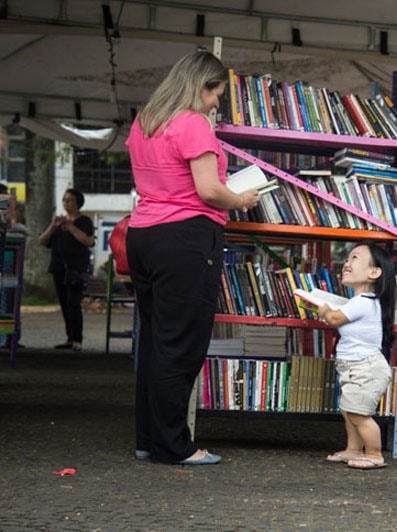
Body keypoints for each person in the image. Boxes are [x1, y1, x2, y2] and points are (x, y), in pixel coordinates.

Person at [125, 51, 260, 466]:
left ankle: (149, 438)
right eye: (216, 93)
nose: (216, 104)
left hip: (143, 233)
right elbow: (208, 190)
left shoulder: (145, 119)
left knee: (154, 341)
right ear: (201, 85)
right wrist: (241, 199)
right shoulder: (192, 123)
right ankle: (174, 446)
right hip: (185, 237)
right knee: (181, 345)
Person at [320, 241, 395, 470]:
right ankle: (353, 449)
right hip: (356, 367)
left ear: (374, 273)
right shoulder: (360, 301)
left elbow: (333, 319)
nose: (346, 263)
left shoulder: (363, 302)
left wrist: (324, 310)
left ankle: (374, 454)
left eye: (355, 258)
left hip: (366, 368)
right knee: (349, 411)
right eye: (346, 258)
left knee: (359, 414)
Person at [38, 188, 95, 351]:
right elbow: (42, 240)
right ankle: (70, 337)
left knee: (73, 302)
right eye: (64, 200)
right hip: (58, 267)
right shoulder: (58, 222)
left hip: (76, 268)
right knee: (64, 302)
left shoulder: (84, 222)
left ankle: (77, 338)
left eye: (70, 200)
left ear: (78, 203)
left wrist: (71, 227)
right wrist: (53, 226)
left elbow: (87, 241)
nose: (66, 203)